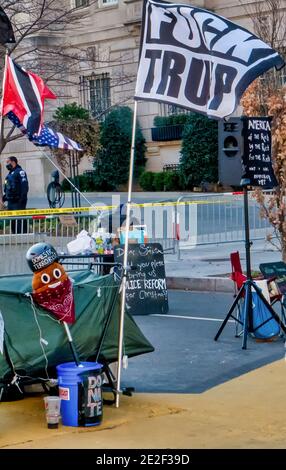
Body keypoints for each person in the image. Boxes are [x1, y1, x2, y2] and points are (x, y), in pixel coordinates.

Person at [3, 156, 29, 234]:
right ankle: (15, 237)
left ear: (13, 162)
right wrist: (4, 198)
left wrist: (22, 198)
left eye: (8, 162)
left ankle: (23, 237)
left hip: (18, 201)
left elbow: (25, 186)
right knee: (13, 221)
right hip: (10, 201)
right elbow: (7, 187)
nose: (7, 164)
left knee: (20, 221)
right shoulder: (9, 174)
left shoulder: (20, 172)